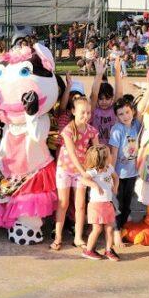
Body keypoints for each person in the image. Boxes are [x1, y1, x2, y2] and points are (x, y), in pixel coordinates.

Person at [51, 96, 99, 250]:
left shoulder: (92, 131)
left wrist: (96, 169)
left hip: (81, 172)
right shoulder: (68, 130)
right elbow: (71, 153)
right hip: (65, 169)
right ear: (73, 111)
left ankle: (78, 237)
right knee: (63, 203)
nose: (86, 116)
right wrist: (83, 172)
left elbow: (95, 151)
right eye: (82, 113)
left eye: (88, 113)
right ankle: (58, 237)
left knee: (80, 206)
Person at [108, 95, 142, 246]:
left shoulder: (135, 125)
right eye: (121, 114)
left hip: (132, 173)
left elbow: (142, 108)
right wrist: (111, 174)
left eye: (127, 112)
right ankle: (115, 232)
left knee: (127, 204)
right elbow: (114, 153)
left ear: (133, 112)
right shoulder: (117, 130)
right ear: (116, 116)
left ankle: (121, 228)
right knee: (117, 204)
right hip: (118, 174)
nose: (125, 116)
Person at [79, 144, 119, 261]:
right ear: (102, 158)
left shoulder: (109, 168)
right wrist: (94, 184)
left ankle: (109, 250)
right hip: (96, 205)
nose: (111, 156)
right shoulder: (93, 171)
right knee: (97, 229)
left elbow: (116, 177)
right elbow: (83, 179)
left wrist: (115, 187)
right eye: (108, 154)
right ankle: (88, 250)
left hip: (108, 203)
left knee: (109, 228)